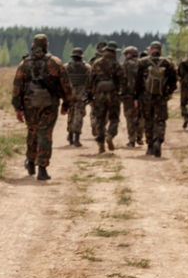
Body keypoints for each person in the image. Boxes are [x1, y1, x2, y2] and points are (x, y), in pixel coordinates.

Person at [12, 33, 74, 181]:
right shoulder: (55, 63)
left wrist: (18, 108)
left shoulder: (24, 64)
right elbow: (66, 85)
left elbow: (17, 87)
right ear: (46, 46)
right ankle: (42, 169)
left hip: (30, 104)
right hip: (49, 105)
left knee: (32, 132)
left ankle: (31, 162)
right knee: (45, 134)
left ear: (33, 45)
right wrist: (67, 103)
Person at [133, 40, 178, 157]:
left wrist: (135, 97)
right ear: (160, 50)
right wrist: (168, 92)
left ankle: (150, 147)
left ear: (150, 50)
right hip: (161, 96)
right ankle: (158, 140)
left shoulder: (142, 62)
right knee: (160, 120)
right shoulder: (168, 63)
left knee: (148, 120)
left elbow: (137, 82)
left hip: (146, 96)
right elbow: (174, 81)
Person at [86, 42, 123, 154]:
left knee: (100, 120)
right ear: (114, 52)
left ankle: (101, 144)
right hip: (113, 95)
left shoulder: (96, 63)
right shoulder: (117, 65)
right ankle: (110, 135)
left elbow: (89, 81)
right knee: (114, 118)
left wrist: (89, 96)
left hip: (99, 95)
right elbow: (124, 81)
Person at [64, 47, 90, 146]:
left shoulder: (66, 67)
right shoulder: (87, 67)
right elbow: (90, 81)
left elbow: (63, 81)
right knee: (79, 116)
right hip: (81, 95)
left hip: (70, 94)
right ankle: (77, 139)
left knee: (70, 114)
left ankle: (70, 136)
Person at [121, 46, 144, 147]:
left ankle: (131, 140)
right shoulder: (142, 64)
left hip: (128, 95)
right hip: (141, 94)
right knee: (140, 116)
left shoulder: (125, 65)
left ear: (129, 54)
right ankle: (139, 136)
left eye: (126, 54)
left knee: (130, 117)